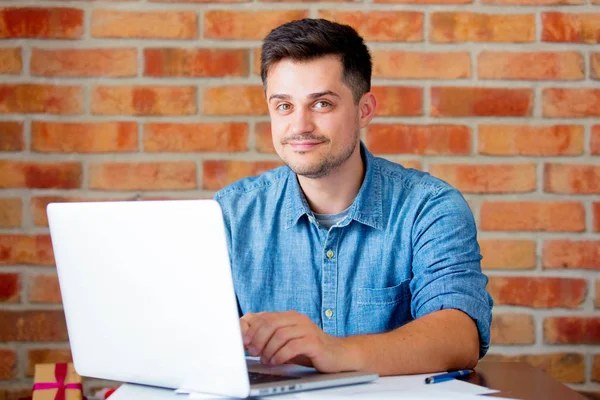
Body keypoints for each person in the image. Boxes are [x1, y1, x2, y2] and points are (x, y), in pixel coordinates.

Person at [214, 18, 493, 376]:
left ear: (365, 110)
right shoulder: (231, 214)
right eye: (284, 106)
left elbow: (459, 337)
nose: (299, 126)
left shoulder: (429, 208)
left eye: (322, 104)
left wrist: (335, 351)